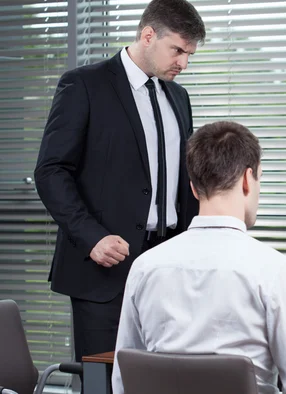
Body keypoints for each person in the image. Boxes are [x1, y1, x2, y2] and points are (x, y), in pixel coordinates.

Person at [33, 0, 205, 363]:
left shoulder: (179, 96)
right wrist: (91, 236)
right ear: (147, 36)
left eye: (189, 54)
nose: (184, 63)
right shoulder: (84, 84)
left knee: (162, 379)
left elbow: (183, 180)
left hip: (166, 267)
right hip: (104, 267)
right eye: (177, 50)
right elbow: (51, 170)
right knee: (104, 382)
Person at [111, 121, 286, 394]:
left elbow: (124, 380)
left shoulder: (144, 267)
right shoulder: (274, 270)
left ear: (193, 187)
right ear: (248, 179)